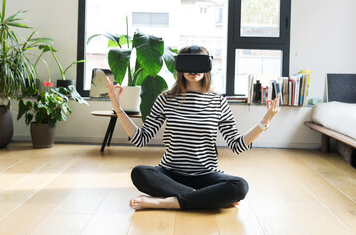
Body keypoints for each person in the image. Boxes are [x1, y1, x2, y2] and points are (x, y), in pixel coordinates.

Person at [106, 45, 280, 210]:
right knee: (140, 173)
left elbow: (237, 144)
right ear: (180, 67)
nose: (193, 69)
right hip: (170, 175)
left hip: (206, 175)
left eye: (199, 63)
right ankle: (206, 199)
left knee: (240, 186)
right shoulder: (166, 99)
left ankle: (166, 203)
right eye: (188, 64)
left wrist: (265, 121)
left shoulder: (218, 102)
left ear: (208, 66)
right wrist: (118, 108)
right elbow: (140, 139)